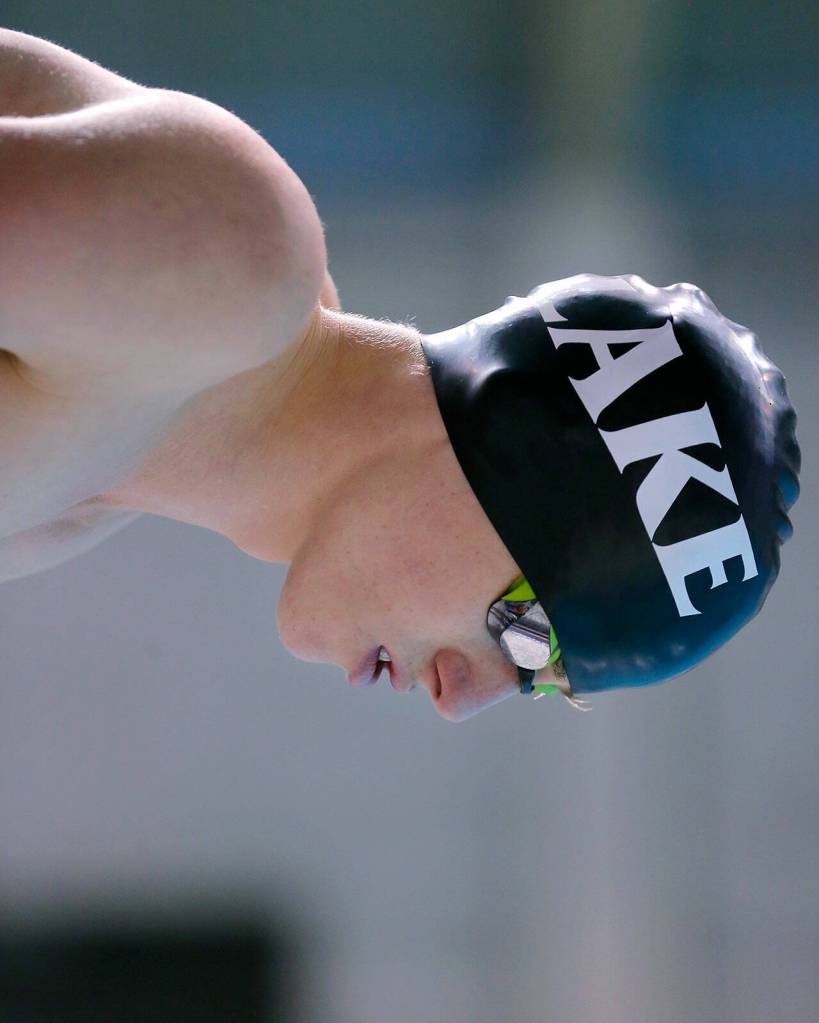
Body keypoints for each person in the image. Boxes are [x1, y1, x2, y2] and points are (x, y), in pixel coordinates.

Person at [0, 30, 799, 722]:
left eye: (535, 687)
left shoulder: (84, 497)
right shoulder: (230, 263)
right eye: (528, 640)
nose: (457, 699)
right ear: (515, 447)